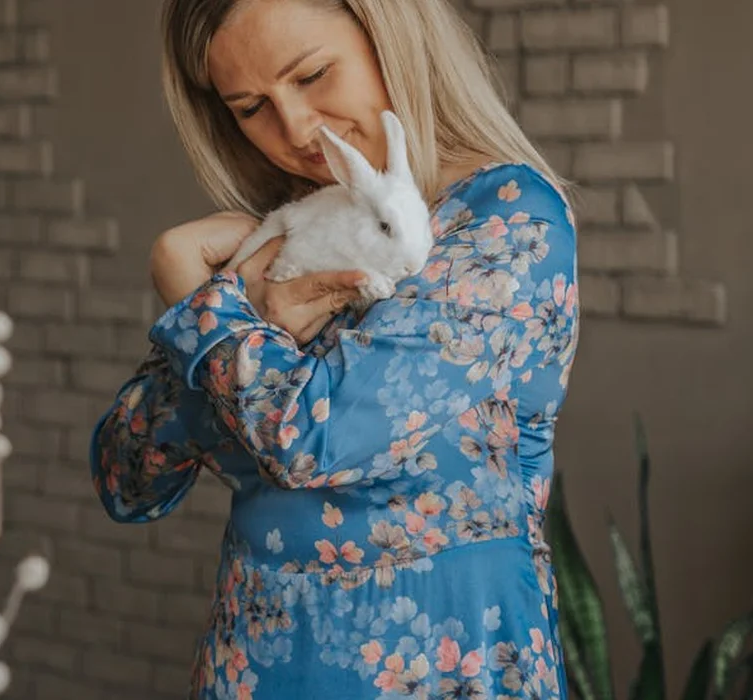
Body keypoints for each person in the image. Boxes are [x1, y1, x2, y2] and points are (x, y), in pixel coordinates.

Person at [90, 0, 580, 697]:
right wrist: (244, 318)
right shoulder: (291, 239)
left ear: (389, 33)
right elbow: (128, 480)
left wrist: (198, 297)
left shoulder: (508, 219)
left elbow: (305, 441)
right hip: (255, 669)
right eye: (250, 107)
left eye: (313, 74)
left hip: (451, 669)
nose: (295, 129)